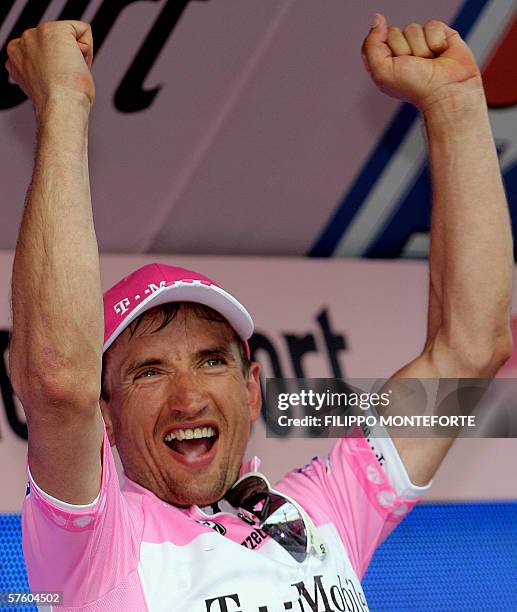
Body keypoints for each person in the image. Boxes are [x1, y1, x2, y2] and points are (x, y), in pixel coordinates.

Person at [6, 12, 512, 612]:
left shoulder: (324, 507)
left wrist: (455, 106)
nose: (187, 396)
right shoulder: (97, 549)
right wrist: (63, 102)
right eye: (149, 371)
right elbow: (59, 378)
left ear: (252, 389)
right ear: (105, 417)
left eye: (211, 360)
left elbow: (471, 350)